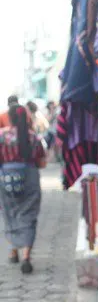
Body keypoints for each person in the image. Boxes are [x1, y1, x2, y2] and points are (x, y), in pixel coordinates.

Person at [0, 105, 46, 274]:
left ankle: (14, 251)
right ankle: (26, 256)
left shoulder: (2, 135)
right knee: (29, 215)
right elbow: (43, 162)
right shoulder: (33, 137)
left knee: (10, 213)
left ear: (9, 117)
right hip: (30, 178)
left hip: (6, 178)